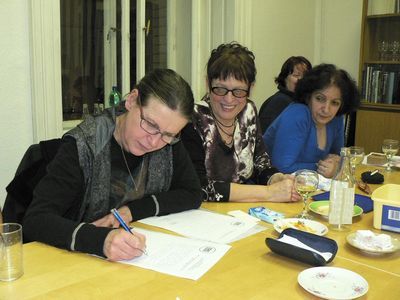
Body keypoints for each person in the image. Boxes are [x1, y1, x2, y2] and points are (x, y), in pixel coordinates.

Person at [23, 69, 202, 261]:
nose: (154, 142)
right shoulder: (85, 145)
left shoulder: (168, 141)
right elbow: (35, 220)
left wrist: (132, 211)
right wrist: (101, 240)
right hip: (74, 262)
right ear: (132, 100)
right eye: (150, 124)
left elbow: (192, 193)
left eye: (168, 135)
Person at [181, 42, 301, 203]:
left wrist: (276, 179)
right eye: (220, 89)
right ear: (207, 83)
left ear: (250, 88)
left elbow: (261, 162)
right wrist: (269, 193)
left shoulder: (248, 110)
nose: (229, 99)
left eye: (238, 91)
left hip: (244, 214)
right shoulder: (193, 119)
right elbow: (200, 187)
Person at [263, 63, 360, 178]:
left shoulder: (336, 119)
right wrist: (323, 168)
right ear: (308, 96)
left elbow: (338, 158)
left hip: (308, 187)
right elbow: (282, 167)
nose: (326, 109)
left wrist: (336, 165)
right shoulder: (297, 114)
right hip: (270, 185)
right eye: (320, 99)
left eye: (335, 103)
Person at [259, 56, 312, 133]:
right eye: (296, 75)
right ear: (285, 78)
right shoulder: (279, 102)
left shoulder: (304, 102)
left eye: (306, 76)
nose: (301, 79)